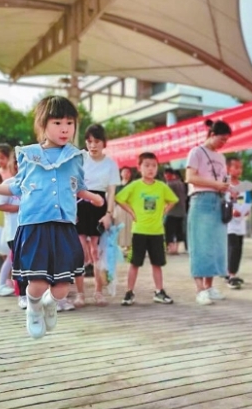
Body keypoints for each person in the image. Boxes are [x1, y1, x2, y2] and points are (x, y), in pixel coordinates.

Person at [0, 95, 104, 339]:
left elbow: (77, 186)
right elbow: (15, 187)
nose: (64, 129)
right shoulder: (28, 155)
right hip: (34, 227)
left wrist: (92, 197)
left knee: (61, 288)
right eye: (57, 123)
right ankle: (33, 307)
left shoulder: (75, 157)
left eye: (69, 123)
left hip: (63, 227)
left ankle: (51, 304)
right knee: (38, 283)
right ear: (43, 125)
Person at [115, 152, 178, 306]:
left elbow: (173, 200)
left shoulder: (162, 187)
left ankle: (159, 291)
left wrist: (164, 211)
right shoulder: (135, 186)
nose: (150, 169)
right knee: (134, 263)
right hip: (139, 231)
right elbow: (119, 198)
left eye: (154, 166)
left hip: (157, 231)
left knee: (157, 263)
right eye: (147, 165)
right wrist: (131, 212)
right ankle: (129, 292)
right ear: (139, 168)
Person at [185, 119, 235, 305]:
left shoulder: (221, 157)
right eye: (222, 139)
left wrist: (228, 188)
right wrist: (216, 184)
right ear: (212, 135)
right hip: (201, 200)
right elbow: (190, 177)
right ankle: (199, 289)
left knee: (216, 246)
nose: (223, 143)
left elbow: (223, 179)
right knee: (200, 245)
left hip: (218, 200)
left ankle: (209, 286)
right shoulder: (196, 152)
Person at [71, 124, 120, 310]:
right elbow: (72, 186)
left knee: (97, 252)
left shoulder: (111, 164)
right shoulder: (80, 159)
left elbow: (112, 192)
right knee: (80, 253)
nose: (93, 145)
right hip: (80, 206)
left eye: (97, 141)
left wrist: (109, 214)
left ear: (103, 143)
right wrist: (71, 212)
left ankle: (98, 291)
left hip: (100, 208)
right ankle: (80, 293)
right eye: (89, 141)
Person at [0, 158, 23, 302]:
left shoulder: (35, 183)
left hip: (31, 230)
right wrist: (20, 208)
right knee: (16, 261)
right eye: (17, 164)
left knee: (17, 260)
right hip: (14, 230)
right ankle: (20, 294)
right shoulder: (8, 184)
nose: (19, 166)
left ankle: (2, 284)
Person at [225, 156, 251, 288]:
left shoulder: (244, 185)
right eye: (235, 167)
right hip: (228, 224)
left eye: (240, 167)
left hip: (240, 222)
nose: (238, 170)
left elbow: (247, 201)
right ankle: (231, 275)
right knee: (232, 248)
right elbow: (222, 201)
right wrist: (230, 211)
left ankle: (231, 272)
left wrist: (246, 210)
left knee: (238, 248)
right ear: (227, 168)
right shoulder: (224, 184)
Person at [164, 167, 187, 255]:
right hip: (181, 211)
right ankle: (179, 248)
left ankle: (171, 249)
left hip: (172, 211)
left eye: (166, 174)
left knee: (169, 230)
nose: (166, 176)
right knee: (179, 230)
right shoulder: (181, 183)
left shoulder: (169, 184)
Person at [113, 166, 134, 252]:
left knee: (129, 227)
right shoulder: (117, 185)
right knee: (120, 226)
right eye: (124, 172)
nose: (126, 174)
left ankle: (129, 246)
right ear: (121, 174)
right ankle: (121, 246)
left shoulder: (132, 185)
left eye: (128, 172)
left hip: (129, 208)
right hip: (119, 208)